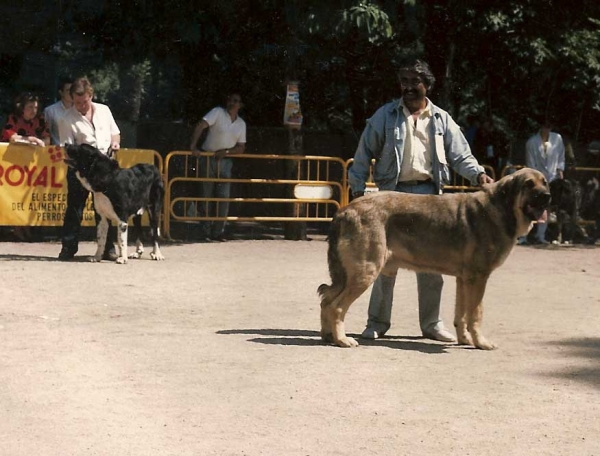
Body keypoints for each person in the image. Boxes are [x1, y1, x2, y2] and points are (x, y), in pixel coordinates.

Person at [348, 59, 494, 342]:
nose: (408, 87)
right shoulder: (386, 115)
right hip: (392, 197)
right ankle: (377, 323)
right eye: (403, 81)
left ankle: (431, 324)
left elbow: (460, 156)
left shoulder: (441, 119)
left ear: (427, 85)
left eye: (414, 82)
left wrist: (478, 175)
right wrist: (356, 189)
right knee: (383, 261)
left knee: (433, 263)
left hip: (430, 199)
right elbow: (364, 150)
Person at [57, 77, 121, 261]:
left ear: (91, 96)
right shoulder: (66, 119)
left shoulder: (104, 110)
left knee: (105, 208)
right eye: (77, 103)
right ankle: (68, 248)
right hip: (81, 170)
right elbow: (67, 149)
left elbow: (115, 133)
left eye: (84, 102)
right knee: (75, 207)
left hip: (104, 168)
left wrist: (115, 143)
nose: (81, 106)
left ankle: (108, 248)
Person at [189, 91, 246, 241]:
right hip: (208, 157)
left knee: (223, 197)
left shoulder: (241, 124)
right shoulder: (217, 112)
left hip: (225, 161)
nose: (232, 103)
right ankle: (205, 231)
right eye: (230, 99)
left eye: (235, 100)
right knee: (206, 195)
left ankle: (218, 231)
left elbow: (241, 148)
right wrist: (193, 146)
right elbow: (201, 125)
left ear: (240, 105)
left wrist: (226, 152)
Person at [522, 120, 565, 245]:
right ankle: (524, 236)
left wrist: (560, 170)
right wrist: (535, 178)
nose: (547, 128)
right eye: (545, 126)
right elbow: (530, 162)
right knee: (531, 206)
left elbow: (561, 156)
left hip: (552, 178)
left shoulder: (557, 138)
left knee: (547, 207)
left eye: (549, 126)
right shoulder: (531, 142)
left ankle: (541, 235)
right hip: (537, 179)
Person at [43, 76, 73, 145]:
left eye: (72, 90)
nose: (71, 93)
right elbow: (46, 134)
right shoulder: (50, 111)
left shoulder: (79, 110)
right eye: (68, 90)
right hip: (57, 150)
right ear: (61, 92)